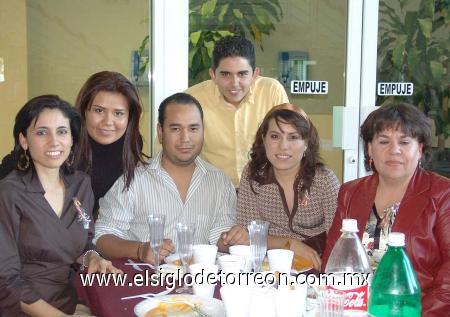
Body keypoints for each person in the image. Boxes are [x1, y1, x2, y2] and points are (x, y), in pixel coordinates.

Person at [321, 103, 450, 316]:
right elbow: (333, 262)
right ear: (370, 148)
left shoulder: (442, 194)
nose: (394, 150)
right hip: (354, 308)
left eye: (404, 142)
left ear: (420, 148)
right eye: (383, 141)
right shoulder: (350, 193)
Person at [0, 95, 120, 317]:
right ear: (24, 140)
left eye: (62, 132)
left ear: (72, 139)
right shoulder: (9, 194)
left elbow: (82, 243)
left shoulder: (80, 184)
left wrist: (92, 257)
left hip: (65, 302)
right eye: (42, 132)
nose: (54, 142)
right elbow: (6, 282)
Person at [94, 93, 247, 264]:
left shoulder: (219, 182)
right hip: (145, 282)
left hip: (201, 281)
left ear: (203, 130)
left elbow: (222, 238)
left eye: (193, 128)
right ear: (160, 132)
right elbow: (103, 237)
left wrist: (233, 238)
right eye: (175, 129)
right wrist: (140, 250)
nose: (185, 138)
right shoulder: (133, 181)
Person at [237, 104, 340, 270]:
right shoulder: (253, 175)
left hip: (318, 266)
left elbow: (339, 240)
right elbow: (247, 236)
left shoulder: (324, 180)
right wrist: (289, 244)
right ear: (263, 139)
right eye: (275, 136)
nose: (283, 146)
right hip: (269, 267)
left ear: (307, 143)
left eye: (293, 137)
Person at [185, 35, 290, 187]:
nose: (234, 84)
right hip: (212, 192)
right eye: (226, 74)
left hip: (265, 189)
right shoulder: (192, 99)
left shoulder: (272, 91)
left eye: (242, 74)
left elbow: (291, 142)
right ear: (213, 74)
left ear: (255, 74)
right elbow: (170, 151)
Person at [74, 71, 148, 219]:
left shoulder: (131, 144)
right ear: (84, 111)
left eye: (118, 113)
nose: (108, 122)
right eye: (99, 110)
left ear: (129, 117)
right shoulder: (64, 145)